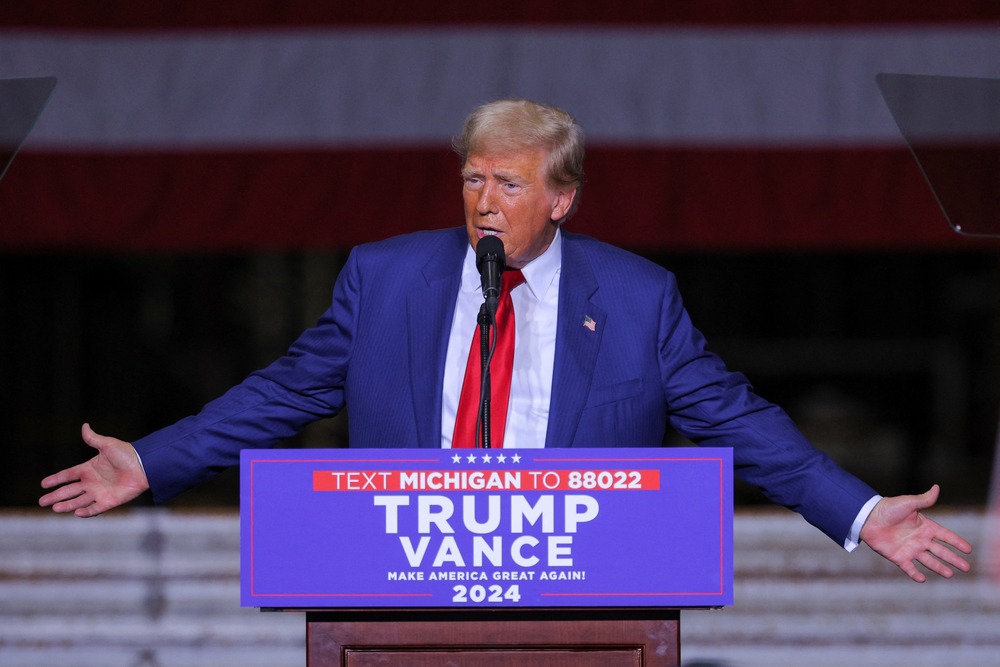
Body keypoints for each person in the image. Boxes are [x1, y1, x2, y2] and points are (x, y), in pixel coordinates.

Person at [40, 99, 972, 584]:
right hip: (401, 580)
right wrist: (152, 462)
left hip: (582, 588)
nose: (485, 201)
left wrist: (858, 512)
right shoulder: (388, 276)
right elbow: (283, 391)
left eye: (510, 184)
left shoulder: (639, 301)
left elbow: (738, 419)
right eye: (473, 179)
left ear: (562, 199)